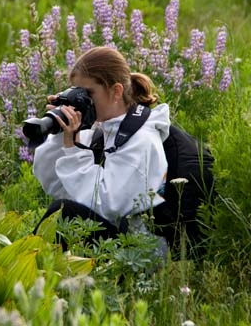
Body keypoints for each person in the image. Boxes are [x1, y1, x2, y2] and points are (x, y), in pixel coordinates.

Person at [31, 46, 171, 257]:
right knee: (62, 210)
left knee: (64, 212)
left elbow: (106, 205)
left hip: (140, 251)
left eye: (88, 94)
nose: (82, 102)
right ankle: (31, 271)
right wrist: (60, 132)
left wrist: (74, 150)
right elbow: (54, 184)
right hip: (114, 235)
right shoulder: (101, 129)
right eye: (77, 93)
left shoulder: (141, 140)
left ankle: (29, 274)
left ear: (116, 91)